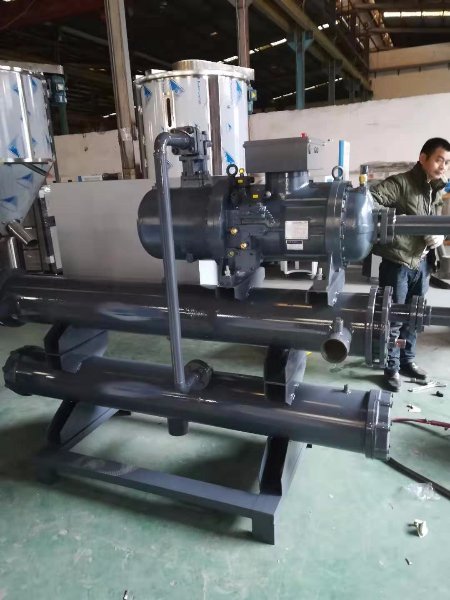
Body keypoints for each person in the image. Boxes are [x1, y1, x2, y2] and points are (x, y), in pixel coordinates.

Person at [370, 137, 450, 392]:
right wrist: (402, 223)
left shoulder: (436, 189)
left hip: (423, 262)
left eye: (447, 162)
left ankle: (407, 361)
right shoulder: (401, 183)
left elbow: (431, 218)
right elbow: (369, 200)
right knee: (393, 318)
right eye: (439, 159)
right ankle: (391, 367)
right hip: (398, 263)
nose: (443, 166)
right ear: (423, 158)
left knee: (414, 317)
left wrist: (438, 235)